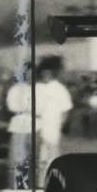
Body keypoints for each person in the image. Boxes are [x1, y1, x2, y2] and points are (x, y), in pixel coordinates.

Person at [35, 55, 74, 185]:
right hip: (37, 126)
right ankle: (40, 183)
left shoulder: (59, 89)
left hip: (52, 127)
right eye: (43, 72)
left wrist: (60, 125)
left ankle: (51, 183)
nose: (46, 74)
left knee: (51, 156)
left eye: (48, 72)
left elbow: (66, 109)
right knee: (39, 158)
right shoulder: (38, 87)